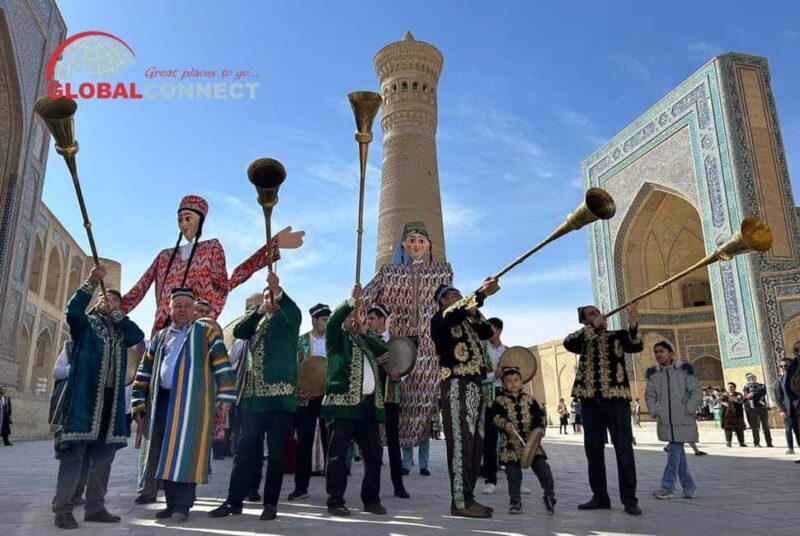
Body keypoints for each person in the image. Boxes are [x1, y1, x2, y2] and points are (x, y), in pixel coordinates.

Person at [121, 194, 302, 334]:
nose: (183, 224)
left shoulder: (211, 248)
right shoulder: (164, 256)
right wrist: (114, 306)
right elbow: (140, 287)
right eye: (180, 219)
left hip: (198, 328)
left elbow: (226, 284)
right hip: (164, 330)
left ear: (199, 220)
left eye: (188, 218)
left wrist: (271, 247)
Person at [131, 287, 237, 522]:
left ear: (193, 310)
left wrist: (226, 395)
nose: (182, 310)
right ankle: (170, 505)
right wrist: (138, 401)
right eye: (177, 306)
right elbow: (144, 370)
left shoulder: (206, 332)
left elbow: (221, 362)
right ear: (170, 309)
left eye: (187, 306)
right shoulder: (160, 336)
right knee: (163, 453)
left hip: (193, 403)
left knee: (185, 453)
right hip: (162, 401)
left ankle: (183, 506)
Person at [52, 265, 145, 529]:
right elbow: (72, 311)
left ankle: (95, 507)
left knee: (103, 459)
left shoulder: (120, 331)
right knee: (74, 457)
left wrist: (119, 317)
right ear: (97, 302)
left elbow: (136, 336)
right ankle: (63, 509)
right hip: (84, 402)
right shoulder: (86, 326)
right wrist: (92, 281)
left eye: (116, 301)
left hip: (110, 405)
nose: (110, 302)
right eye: (107, 299)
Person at [209, 272, 301, 521]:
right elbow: (240, 330)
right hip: (252, 400)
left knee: (276, 454)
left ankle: (270, 503)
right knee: (244, 451)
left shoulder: (287, 321)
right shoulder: (257, 323)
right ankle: (233, 500)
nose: (270, 300)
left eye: (273, 297)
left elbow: (293, 313)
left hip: (279, 401)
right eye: (266, 297)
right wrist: (259, 310)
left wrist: (278, 291)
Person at [361, 221, 453, 458]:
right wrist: (363, 323)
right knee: (392, 400)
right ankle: (385, 452)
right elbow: (366, 299)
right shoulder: (389, 272)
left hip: (427, 348)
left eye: (420, 241)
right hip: (396, 346)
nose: (415, 245)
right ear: (403, 244)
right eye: (411, 240)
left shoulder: (441, 272)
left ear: (428, 245)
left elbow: (451, 305)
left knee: (421, 404)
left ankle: (411, 460)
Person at [322, 285, 395, 517]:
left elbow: (383, 350)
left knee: (374, 455)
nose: (354, 319)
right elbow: (333, 322)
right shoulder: (336, 338)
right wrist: (350, 301)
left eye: (356, 316)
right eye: (350, 316)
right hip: (344, 406)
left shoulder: (365, 341)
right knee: (337, 456)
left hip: (368, 407)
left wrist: (365, 334)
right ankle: (335, 500)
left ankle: (371, 499)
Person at [564, 303, 643, 516]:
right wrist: (592, 328)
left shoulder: (617, 336)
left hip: (616, 401)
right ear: (583, 321)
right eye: (591, 314)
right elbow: (568, 343)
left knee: (624, 450)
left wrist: (632, 320)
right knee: (594, 450)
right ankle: (599, 496)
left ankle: (629, 499)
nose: (597, 315)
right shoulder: (582, 338)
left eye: (597, 312)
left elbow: (636, 344)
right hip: (590, 402)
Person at [431, 278, 499, 518]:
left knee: (474, 445)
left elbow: (487, 331)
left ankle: (468, 497)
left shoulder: (467, 319)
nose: (460, 298)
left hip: (475, 385)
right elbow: (453, 314)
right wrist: (480, 294)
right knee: (460, 443)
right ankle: (460, 501)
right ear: (443, 301)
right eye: (455, 295)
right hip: (456, 384)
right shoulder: (440, 319)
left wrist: (476, 307)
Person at [491, 367, 556, 515]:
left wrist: (540, 429)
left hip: (532, 444)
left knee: (543, 470)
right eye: (508, 381)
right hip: (510, 446)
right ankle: (515, 501)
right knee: (513, 476)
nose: (513, 383)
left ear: (521, 382)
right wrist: (504, 423)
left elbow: (539, 417)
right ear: (503, 383)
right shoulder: (499, 401)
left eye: (516, 380)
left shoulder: (530, 400)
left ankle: (549, 496)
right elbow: (493, 417)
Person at [645, 341, 702, 500]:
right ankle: (688, 486)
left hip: (683, 417)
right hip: (665, 419)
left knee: (674, 450)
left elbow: (696, 391)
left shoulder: (684, 371)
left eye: (662, 351)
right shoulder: (654, 374)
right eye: (656, 352)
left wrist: (689, 408)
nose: (658, 354)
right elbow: (649, 395)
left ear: (671, 352)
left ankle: (667, 487)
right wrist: (654, 409)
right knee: (677, 451)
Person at [365, 304, 410, 498]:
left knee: (393, 442)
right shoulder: (366, 341)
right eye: (367, 319)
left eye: (372, 319)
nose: (369, 322)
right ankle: (371, 486)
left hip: (391, 397)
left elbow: (406, 366)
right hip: (372, 397)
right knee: (372, 443)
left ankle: (398, 485)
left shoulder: (396, 342)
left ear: (382, 319)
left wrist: (398, 376)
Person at [288, 302, 332, 500]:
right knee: (304, 443)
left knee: (331, 442)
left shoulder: (334, 341)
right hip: (306, 399)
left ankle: (334, 490)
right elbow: (292, 369)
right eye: (324, 319)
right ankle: (301, 487)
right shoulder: (300, 342)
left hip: (329, 399)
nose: (327, 323)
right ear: (314, 320)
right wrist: (298, 391)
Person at [480, 317, 506, 495]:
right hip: (489, 396)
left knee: (509, 437)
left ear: (498, 330)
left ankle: (516, 479)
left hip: (505, 396)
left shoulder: (508, 351)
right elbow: (477, 374)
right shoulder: (481, 350)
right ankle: (490, 479)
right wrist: (493, 374)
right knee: (490, 439)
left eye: (490, 329)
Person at [775, 357, 799, 455]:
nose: (784, 368)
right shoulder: (779, 380)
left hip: (797, 408)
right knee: (789, 430)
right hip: (787, 410)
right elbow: (777, 396)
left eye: (786, 365)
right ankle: (790, 448)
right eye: (781, 366)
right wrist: (781, 410)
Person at [742, 373, 773, 448]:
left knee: (765, 426)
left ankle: (769, 443)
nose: (751, 379)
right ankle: (756, 443)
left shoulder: (761, 385)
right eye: (749, 378)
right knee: (755, 427)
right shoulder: (746, 387)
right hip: (752, 408)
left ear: (755, 378)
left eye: (752, 377)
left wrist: (753, 394)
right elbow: (746, 396)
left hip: (762, 407)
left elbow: (763, 393)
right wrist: (751, 395)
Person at [721, 382, 747, 447]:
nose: (729, 388)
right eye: (728, 387)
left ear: (734, 388)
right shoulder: (724, 395)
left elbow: (738, 400)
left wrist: (729, 396)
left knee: (739, 429)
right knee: (728, 429)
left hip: (737, 413)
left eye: (731, 387)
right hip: (728, 414)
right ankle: (728, 443)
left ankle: (741, 442)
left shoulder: (739, 394)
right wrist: (723, 403)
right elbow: (718, 401)